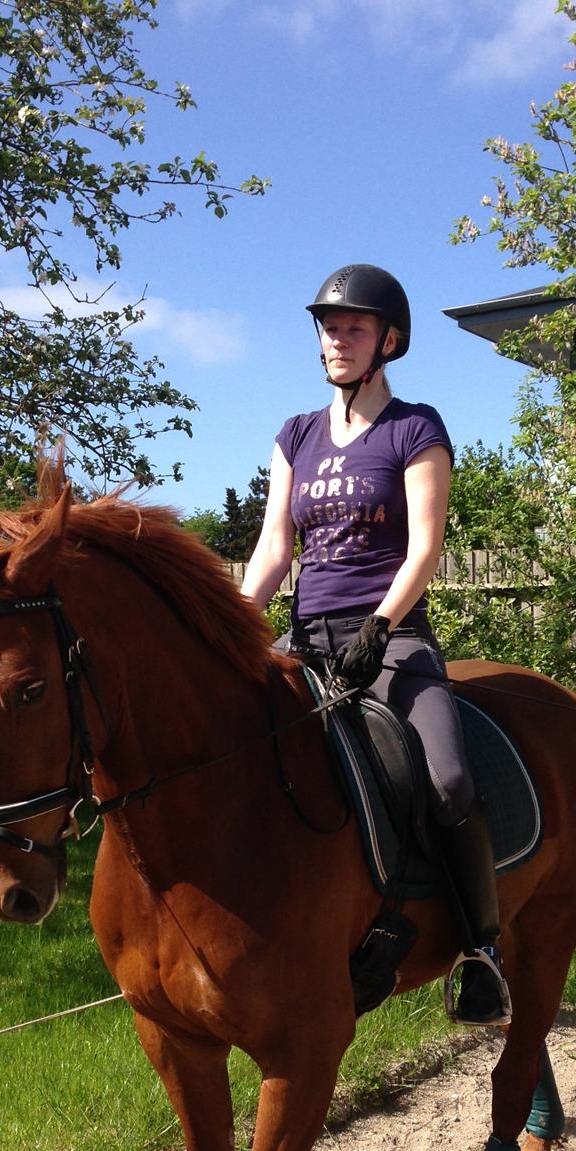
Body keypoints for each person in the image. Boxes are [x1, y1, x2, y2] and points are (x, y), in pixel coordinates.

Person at [240, 263, 511, 1025]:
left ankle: (479, 949)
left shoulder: (415, 429)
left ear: (389, 341)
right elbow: (271, 555)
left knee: (450, 779)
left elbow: (424, 549)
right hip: (305, 639)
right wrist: (227, 624)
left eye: (353, 327)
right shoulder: (294, 436)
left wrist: (380, 626)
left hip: (388, 639)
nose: (336, 338)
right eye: (328, 326)